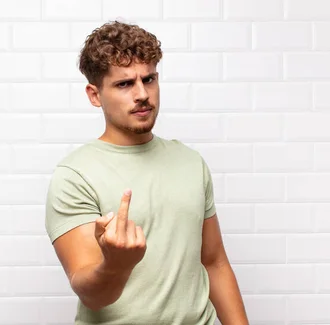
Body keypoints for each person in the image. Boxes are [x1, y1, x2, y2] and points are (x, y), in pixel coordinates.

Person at [44, 20, 249, 325]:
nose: (142, 94)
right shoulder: (75, 175)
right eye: (124, 84)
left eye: (149, 79)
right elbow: (92, 295)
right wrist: (117, 265)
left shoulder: (190, 162)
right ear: (94, 94)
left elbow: (214, 262)